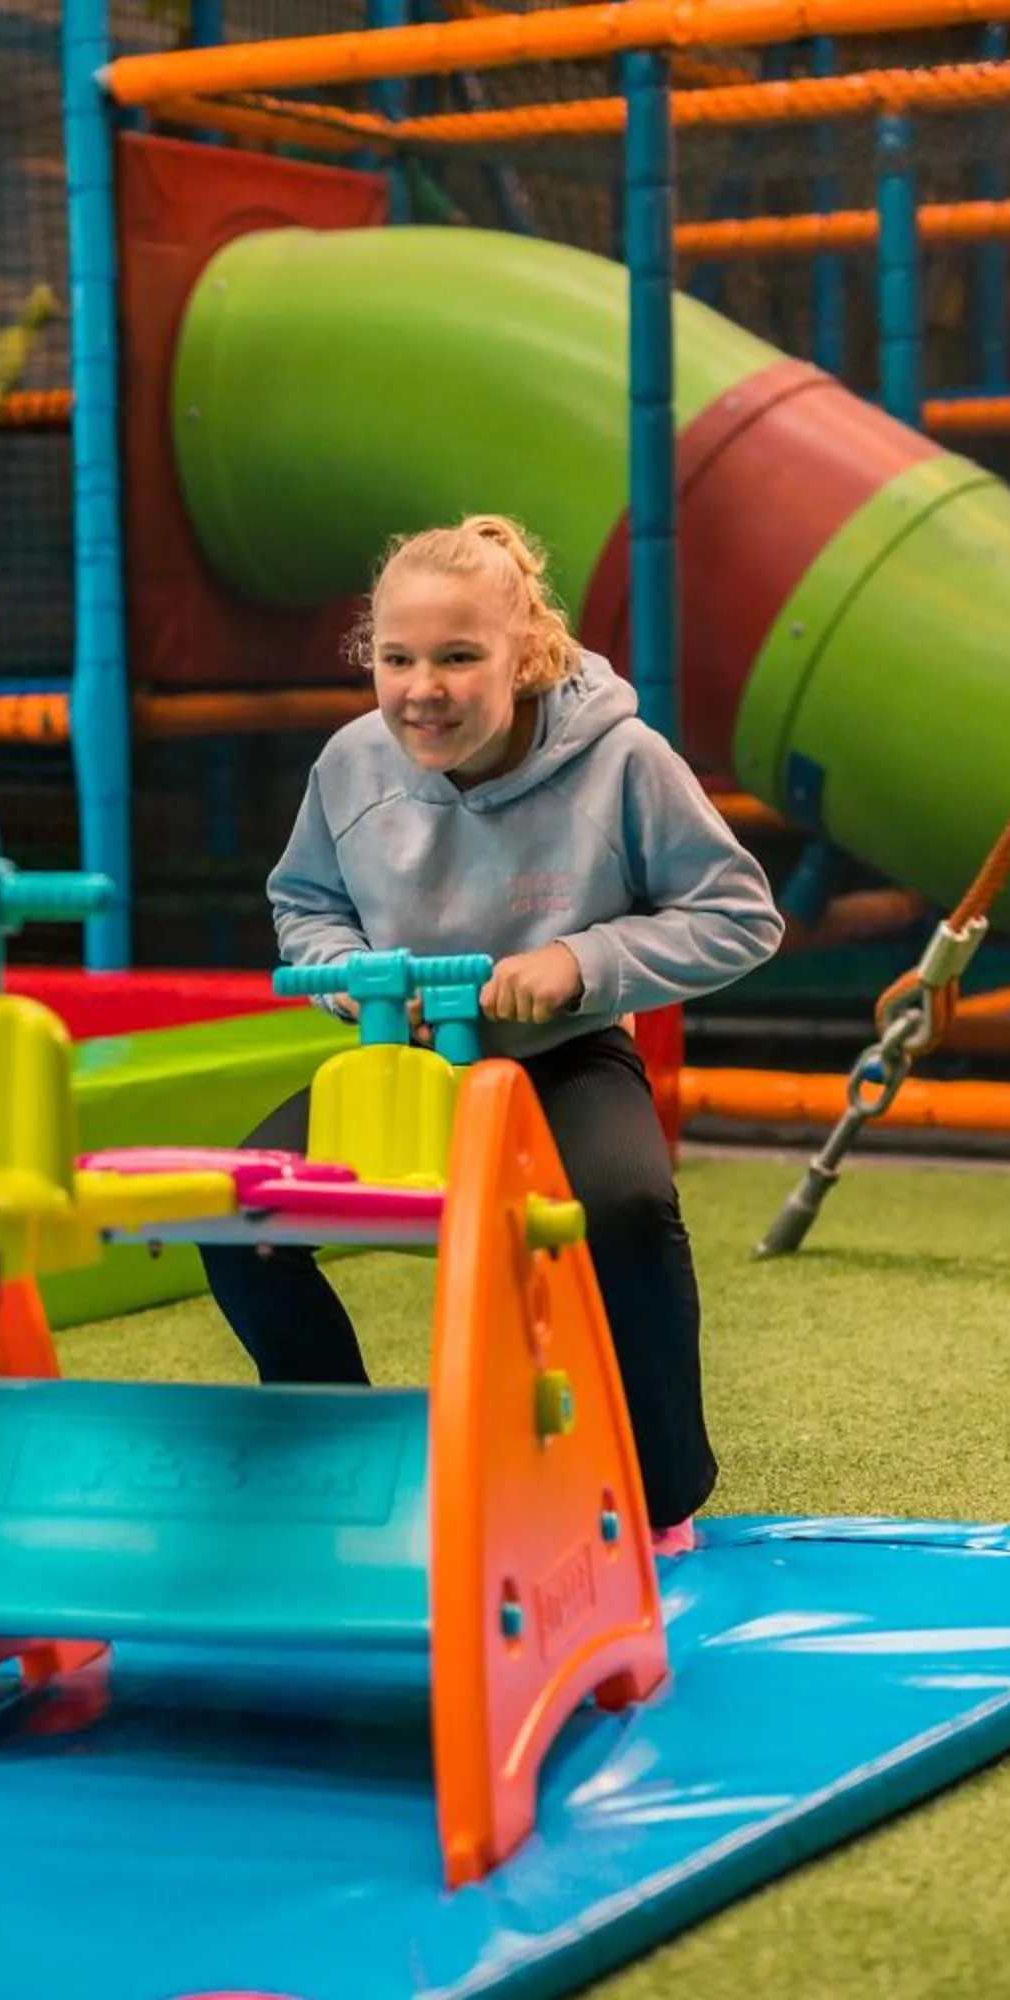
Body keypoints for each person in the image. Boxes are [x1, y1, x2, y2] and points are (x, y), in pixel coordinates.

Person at [214, 514, 784, 1548]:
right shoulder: (350, 765)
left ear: (524, 656)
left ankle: (660, 1498)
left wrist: (579, 964)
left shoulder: (622, 760)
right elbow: (304, 900)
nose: (421, 688)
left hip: (559, 1058)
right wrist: (348, 977)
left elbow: (741, 915)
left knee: (623, 1206)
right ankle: (342, 1450)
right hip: (402, 1061)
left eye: (458, 657)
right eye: (397, 658)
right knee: (244, 1215)